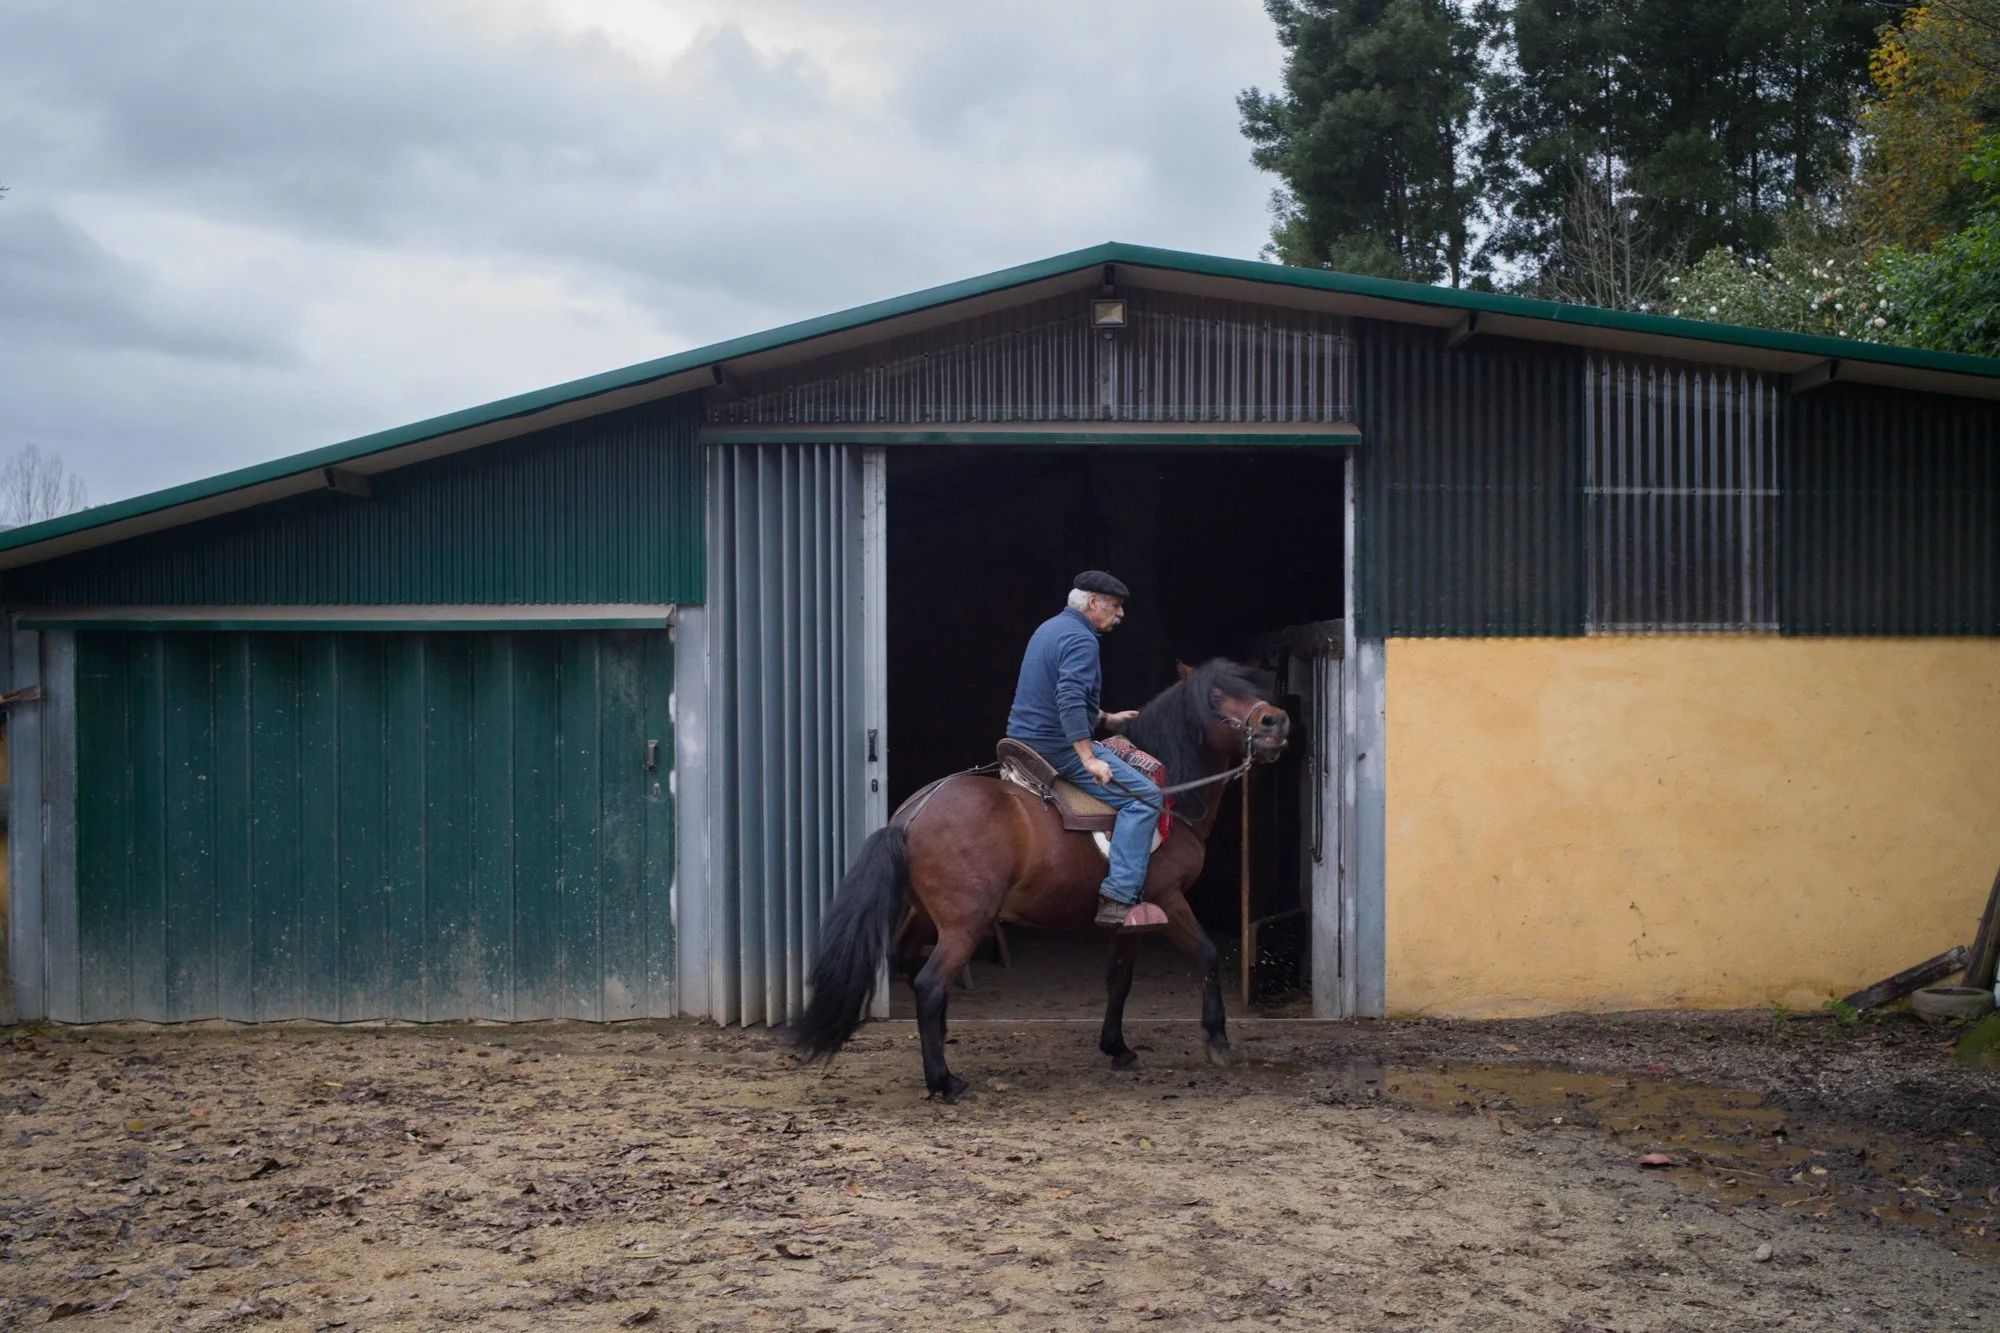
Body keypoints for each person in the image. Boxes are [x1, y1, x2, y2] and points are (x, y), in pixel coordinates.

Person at [1006, 571, 1163, 928]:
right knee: (1145, 798)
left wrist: (1106, 719)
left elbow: (1049, 692)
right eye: (1116, 607)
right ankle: (1118, 898)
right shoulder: (1082, 639)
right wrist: (1088, 757)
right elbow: (1069, 698)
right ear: (1093, 602)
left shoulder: (1049, 628)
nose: (1120, 615)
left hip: (1022, 739)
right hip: (1055, 747)